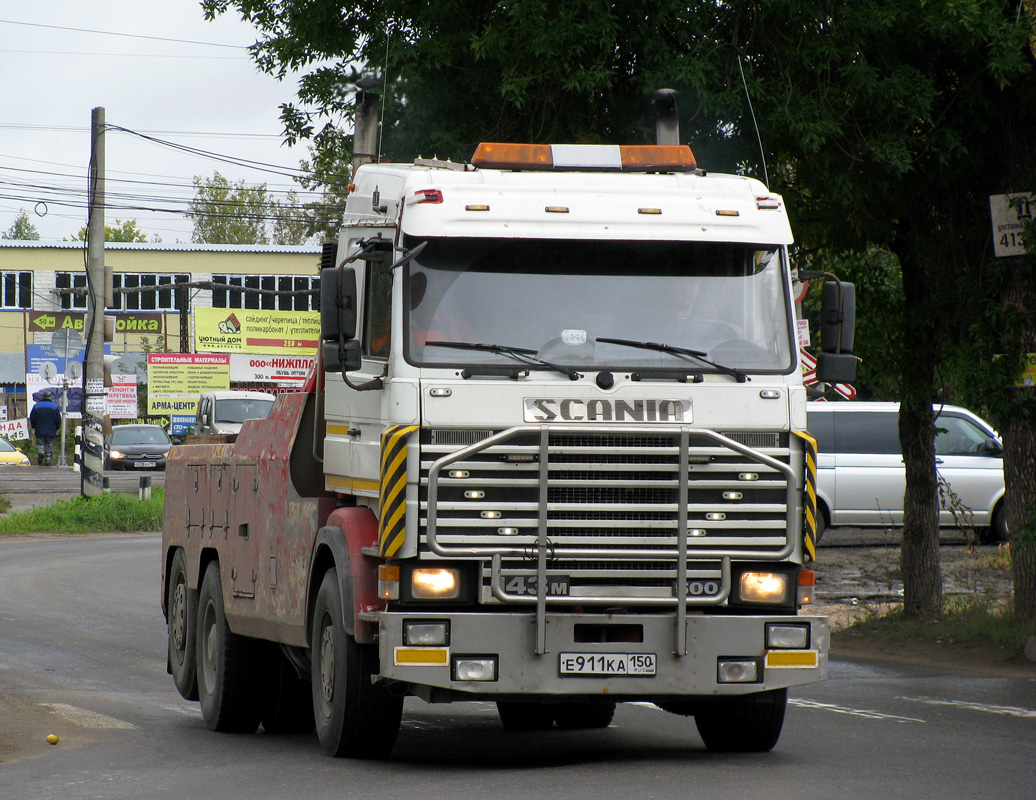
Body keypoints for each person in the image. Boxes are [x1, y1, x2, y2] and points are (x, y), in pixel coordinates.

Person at [29, 390, 62, 466]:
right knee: (49, 445)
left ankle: (41, 452)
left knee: (40, 443)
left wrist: (34, 426)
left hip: (39, 429)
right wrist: (56, 428)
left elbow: (32, 418)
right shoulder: (54, 406)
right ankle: (48, 461)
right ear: (50, 397)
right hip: (51, 430)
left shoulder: (36, 406)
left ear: (42, 397)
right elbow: (58, 420)